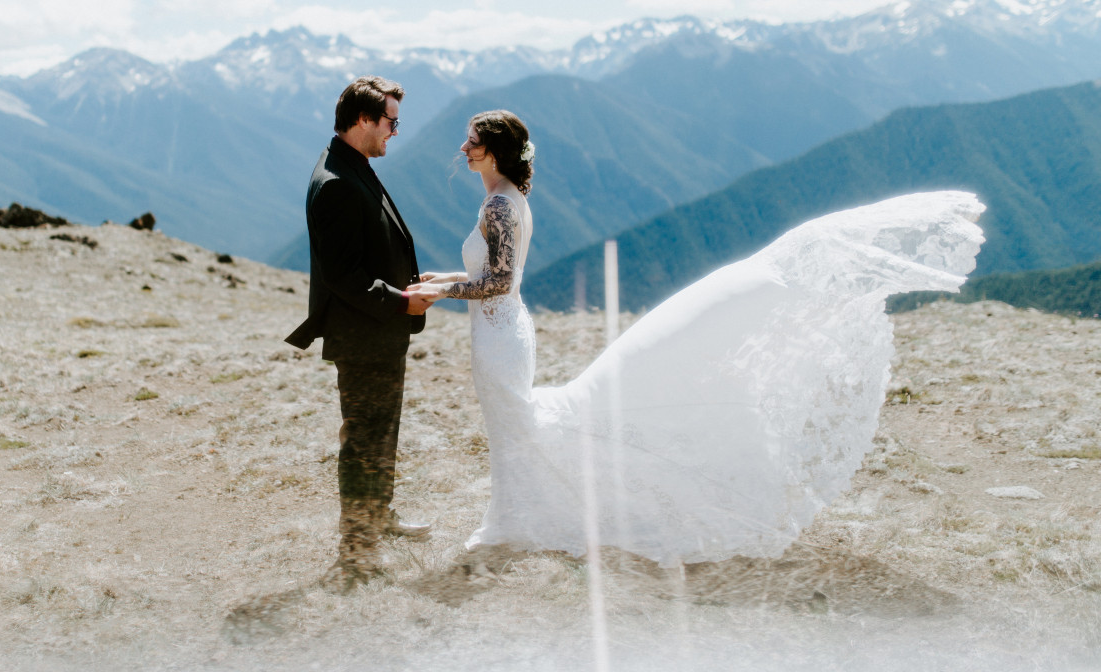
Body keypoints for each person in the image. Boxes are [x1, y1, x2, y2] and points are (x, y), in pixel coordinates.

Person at [408, 110, 985, 566]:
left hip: (501, 335)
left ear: (497, 150)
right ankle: (514, 517)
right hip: (497, 331)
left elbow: (501, 282)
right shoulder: (501, 201)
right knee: (512, 428)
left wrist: (442, 293)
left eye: (474, 141)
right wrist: (446, 278)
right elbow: (493, 277)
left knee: (520, 426)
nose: (464, 148)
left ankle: (522, 522)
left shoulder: (502, 206)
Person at [285, 75, 433, 591]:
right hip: (364, 333)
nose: (395, 131)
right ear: (364, 120)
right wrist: (402, 300)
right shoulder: (335, 184)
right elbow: (342, 275)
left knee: (381, 434)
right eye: (390, 122)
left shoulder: (353, 167)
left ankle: (379, 520)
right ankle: (356, 552)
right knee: (364, 441)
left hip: (381, 332)